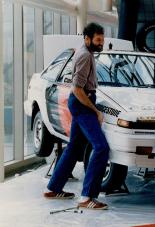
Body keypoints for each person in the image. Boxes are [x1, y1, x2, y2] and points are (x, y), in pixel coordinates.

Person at [44, 22, 110, 209]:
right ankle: (87, 197)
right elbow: (78, 89)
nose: (101, 43)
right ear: (87, 38)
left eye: (102, 40)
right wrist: (95, 110)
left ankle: (53, 188)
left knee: (74, 147)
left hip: (81, 102)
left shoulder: (86, 53)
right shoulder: (84, 56)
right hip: (82, 104)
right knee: (101, 147)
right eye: (98, 40)